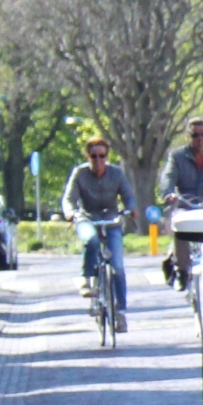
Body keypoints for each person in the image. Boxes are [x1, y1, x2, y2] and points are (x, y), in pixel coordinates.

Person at [64, 137, 135, 330]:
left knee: (118, 267)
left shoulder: (117, 173)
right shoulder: (80, 174)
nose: (98, 160)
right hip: (87, 218)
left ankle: (121, 312)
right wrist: (71, 212)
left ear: (107, 156)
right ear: (88, 157)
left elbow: (129, 196)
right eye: (94, 156)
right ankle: (86, 279)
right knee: (91, 239)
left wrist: (131, 208)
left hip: (111, 220)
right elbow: (69, 199)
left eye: (102, 156)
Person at [156, 117, 203, 287]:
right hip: (187, 206)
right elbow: (167, 178)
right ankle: (181, 271)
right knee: (181, 225)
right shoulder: (177, 157)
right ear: (188, 137)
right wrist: (169, 193)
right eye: (195, 135)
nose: (200, 139)